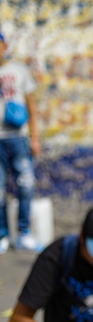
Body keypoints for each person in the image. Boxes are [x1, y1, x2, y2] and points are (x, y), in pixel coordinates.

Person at [0, 31, 41, 253]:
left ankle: (24, 233)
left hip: (19, 138)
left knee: (25, 186)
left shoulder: (19, 71)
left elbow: (32, 106)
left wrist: (35, 138)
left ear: (4, 46)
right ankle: (2, 235)